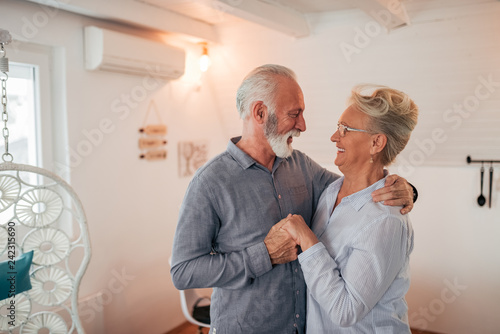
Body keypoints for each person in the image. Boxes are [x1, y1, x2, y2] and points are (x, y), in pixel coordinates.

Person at [170, 65, 415, 334]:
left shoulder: (302, 167)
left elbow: (357, 189)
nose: (303, 125)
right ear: (260, 113)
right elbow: (184, 271)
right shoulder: (210, 182)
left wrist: (407, 189)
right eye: (294, 114)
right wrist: (264, 255)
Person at [281, 85, 418, 333]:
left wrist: (306, 237)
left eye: (345, 129)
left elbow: (345, 311)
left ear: (376, 143)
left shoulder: (386, 221)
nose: (335, 136)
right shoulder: (330, 191)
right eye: (338, 126)